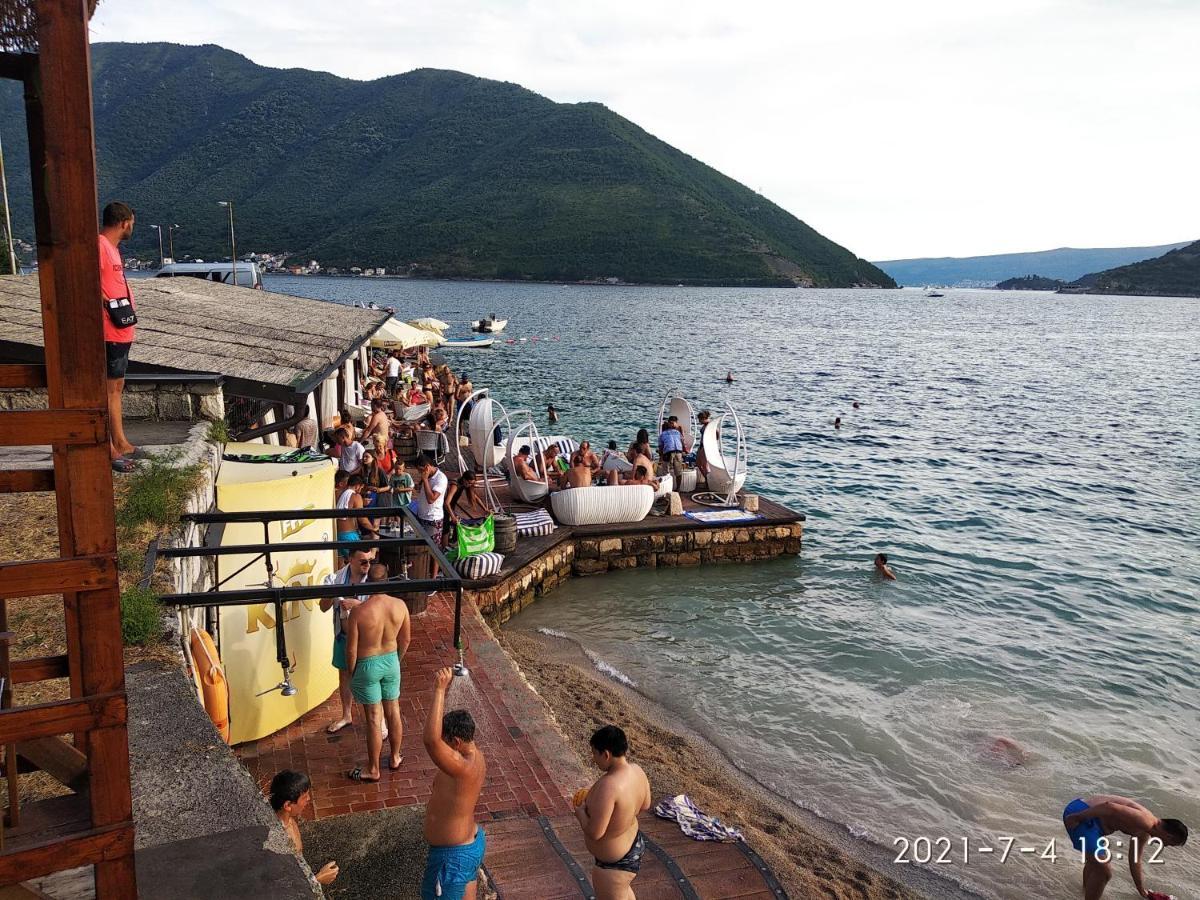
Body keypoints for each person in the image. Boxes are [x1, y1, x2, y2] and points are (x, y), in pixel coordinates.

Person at [422, 668, 487, 900]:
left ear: (457, 742)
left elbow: (430, 740)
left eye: (446, 742)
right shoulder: (476, 755)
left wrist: (440, 689)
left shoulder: (462, 767)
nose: (443, 747)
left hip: (453, 857)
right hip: (469, 845)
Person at [346, 563, 410, 783]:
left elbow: (352, 649)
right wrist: (396, 660)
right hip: (391, 660)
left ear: (368, 583)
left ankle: (373, 769)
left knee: (374, 717)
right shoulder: (400, 605)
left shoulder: (359, 611)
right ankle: (394, 757)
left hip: (367, 664)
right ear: (387, 580)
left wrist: (352, 672)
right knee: (393, 710)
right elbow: (406, 639)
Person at [573, 725, 651, 900]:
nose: (594, 759)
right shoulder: (638, 771)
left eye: (594, 753)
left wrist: (581, 814)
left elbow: (595, 832)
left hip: (613, 864)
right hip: (633, 846)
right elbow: (645, 805)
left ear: (606, 754)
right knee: (624, 893)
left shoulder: (609, 786)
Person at [1062, 795, 1187, 900]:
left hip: (1093, 824)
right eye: (1168, 843)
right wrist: (1078, 817)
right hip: (1082, 814)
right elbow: (1109, 807)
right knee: (1104, 871)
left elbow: (1135, 860)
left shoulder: (1145, 832)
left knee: (1096, 864)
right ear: (1169, 836)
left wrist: (1141, 890)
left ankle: (1084, 893)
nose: (1164, 845)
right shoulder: (1146, 820)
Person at [99, 201, 140, 472]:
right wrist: (107, 305)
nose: (132, 228)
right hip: (109, 329)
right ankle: (111, 447)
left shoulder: (112, 249)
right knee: (109, 388)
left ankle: (121, 441)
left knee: (116, 387)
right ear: (124, 222)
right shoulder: (100, 246)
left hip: (121, 329)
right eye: (132, 223)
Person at [319, 548, 374, 734]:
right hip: (343, 637)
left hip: (366, 640)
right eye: (363, 561)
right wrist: (330, 593)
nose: (368, 565)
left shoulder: (374, 579)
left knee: (371, 679)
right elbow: (323, 607)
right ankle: (346, 715)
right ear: (350, 559)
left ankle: (378, 720)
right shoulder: (335, 578)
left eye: (369, 561)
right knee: (344, 676)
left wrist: (358, 605)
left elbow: (381, 608)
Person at [269, 770, 339, 886]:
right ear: (288, 805)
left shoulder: (288, 819)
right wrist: (318, 879)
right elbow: (282, 887)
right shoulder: (279, 842)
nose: (308, 799)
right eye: (304, 796)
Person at [412, 453, 448, 574]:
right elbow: (419, 489)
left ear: (427, 467)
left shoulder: (441, 479)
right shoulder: (426, 477)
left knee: (435, 550)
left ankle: (433, 578)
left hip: (433, 519)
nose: (420, 473)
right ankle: (423, 571)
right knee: (422, 546)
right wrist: (422, 482)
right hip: (421, 514)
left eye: (421, 471)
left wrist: (425, 479)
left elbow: (431, 499)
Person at [336, 473, 378, 549]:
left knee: (344, 560)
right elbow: (362, 519)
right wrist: (373, 529)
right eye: (361, 488)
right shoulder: (356, 496)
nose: (360, 490)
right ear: (357, 486)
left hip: (339, 535)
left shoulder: (341, 493)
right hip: (349, 535)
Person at [657, 417, 685, 486]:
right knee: (678, 472)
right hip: (678, 452)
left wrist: (661, 456)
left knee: (665, 472)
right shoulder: (677, 432)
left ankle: (667, 487)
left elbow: (661, 448)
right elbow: (682, 442)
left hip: (668, 452)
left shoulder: (662, 435)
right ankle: (678, 489)